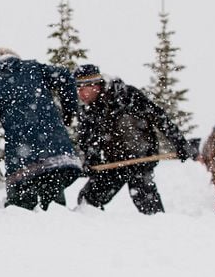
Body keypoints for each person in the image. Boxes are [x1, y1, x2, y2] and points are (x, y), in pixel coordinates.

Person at [0, 48, 82, 210]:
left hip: (23, 159)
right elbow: (65, 76)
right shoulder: (33, 68)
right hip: (56, 153)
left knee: (19, 212)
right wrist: (69, 113)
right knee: (54, 209)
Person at [73, 64, 195, 215]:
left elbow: (159, 118)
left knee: (148, 203)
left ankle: (160, 226)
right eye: (77, 89)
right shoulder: (87, 110)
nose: (80, 93)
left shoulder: (126, 95)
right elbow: (87, 140)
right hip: (113, 163)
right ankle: (96, 229)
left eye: (82, 88)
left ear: (95, 85)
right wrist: (91, 161)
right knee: (88, 200)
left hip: (140, 159)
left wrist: (181, 144)